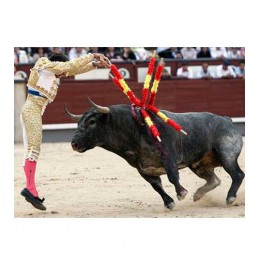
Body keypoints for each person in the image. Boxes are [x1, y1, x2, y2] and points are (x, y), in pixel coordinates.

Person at [19, 51, 110, 210]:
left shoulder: (51, 73)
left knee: (32, 150)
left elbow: (73, 69)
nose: (62, 75)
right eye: (61, 71)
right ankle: (30, 189)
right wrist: (93, 55)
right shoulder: (43, 64)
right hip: (31, 111)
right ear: (57, 64)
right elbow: (70, 66)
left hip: (33, 111)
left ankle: (31, 189)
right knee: (33, 150)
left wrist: (95, 65)